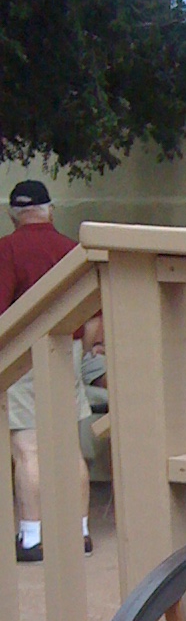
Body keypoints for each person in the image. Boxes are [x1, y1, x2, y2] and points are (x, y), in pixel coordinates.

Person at [0, 180, 92, 561]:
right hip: (67, 350)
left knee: (28, 449)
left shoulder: (6, 249)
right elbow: (90, 313)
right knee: (69, 446)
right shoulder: (73, 250)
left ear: (13, 215)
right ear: (50, 211)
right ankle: (79, 532)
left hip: (21, 354)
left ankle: (32, 537)